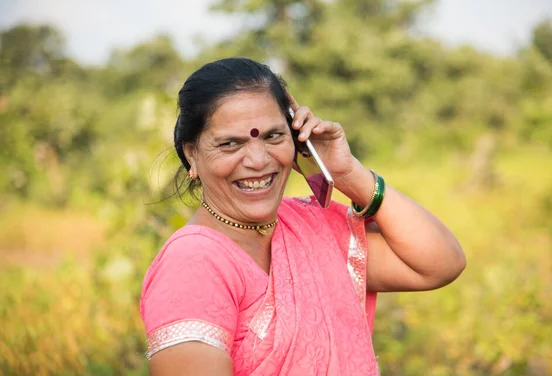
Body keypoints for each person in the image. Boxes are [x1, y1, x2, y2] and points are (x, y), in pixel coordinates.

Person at [140, 57, 466, 376]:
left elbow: (441, 263)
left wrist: (348, 173)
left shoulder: (312, 227)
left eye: (273, 136)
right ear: (191, 154)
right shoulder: (193, 264)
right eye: (229, 144)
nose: (257, 159)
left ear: (297, 139)